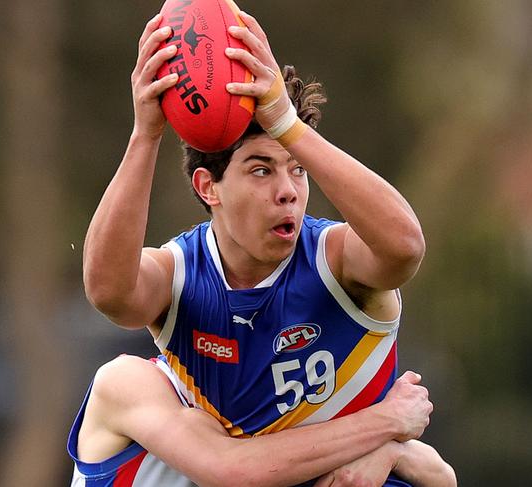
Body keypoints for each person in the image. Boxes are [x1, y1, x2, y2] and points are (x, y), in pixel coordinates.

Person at [80, 10, 452, 485]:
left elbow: (405, 248)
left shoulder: (336, 262)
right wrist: (145, 134)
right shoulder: (177, 282)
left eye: (297, 169)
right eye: (261, 170)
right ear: (208, 187)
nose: (289, 191)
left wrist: (288, 125)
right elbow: (109, 291)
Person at [68, 353, 456, 486]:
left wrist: (390, 452)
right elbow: (230, 466)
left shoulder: (278, 425)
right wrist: (385, 422)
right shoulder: (127, 381)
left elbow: (442, 477)